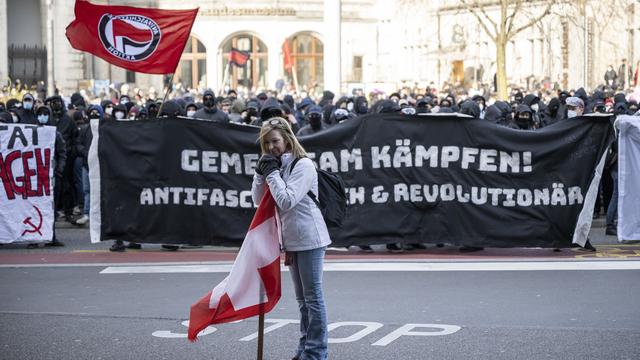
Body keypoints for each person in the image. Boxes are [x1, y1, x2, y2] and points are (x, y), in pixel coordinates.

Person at [252, 117, 330, 360]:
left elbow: (286, 200)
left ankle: (316, 353)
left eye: (275, 141)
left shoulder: (303, 165)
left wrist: (272, 174)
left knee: (313, 299)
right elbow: (258, 200)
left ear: (287, 138)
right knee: (303, 301)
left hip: (310, 237)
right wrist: (259, 174)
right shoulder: (279, 165)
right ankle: (305, 348)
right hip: (292, 239)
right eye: (266, 144)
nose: (272, 147)